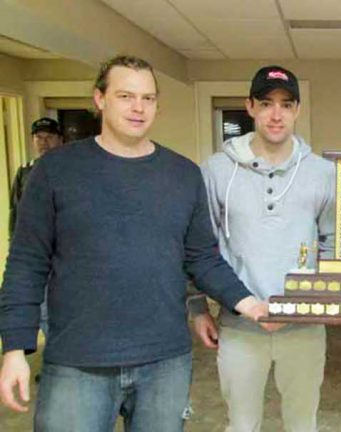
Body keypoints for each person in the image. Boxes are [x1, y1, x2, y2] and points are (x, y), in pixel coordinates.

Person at [0, 55, 265, 431]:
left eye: (148, 98)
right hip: (78, 361)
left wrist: (250, 304)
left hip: (164, 362)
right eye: (126, 96)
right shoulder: (55, 171)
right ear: (100, 99)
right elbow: (26, 263)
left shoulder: (183, 174)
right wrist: (15, 348)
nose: (138, 108)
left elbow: (202, 257)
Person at [188, 65, 335, 432]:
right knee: (241, 424)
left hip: (304, 325)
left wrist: (307, 303)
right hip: (239, 324)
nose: (276, 114)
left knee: (303, 424)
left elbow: (333, 248)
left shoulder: (322, 172)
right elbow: (198, 246)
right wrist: (196, 306)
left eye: (286, 104)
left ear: (297, 110)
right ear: (250, 106)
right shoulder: (216, 170)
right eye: (267, 103)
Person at [9, 117, 64, 236]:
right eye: (38, 137)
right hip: (33, 240)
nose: (44, 142)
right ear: (32, 140)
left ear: (60, 140)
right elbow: (15, 210)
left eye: (49, 137)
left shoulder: (72, 169)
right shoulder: (24, 171)